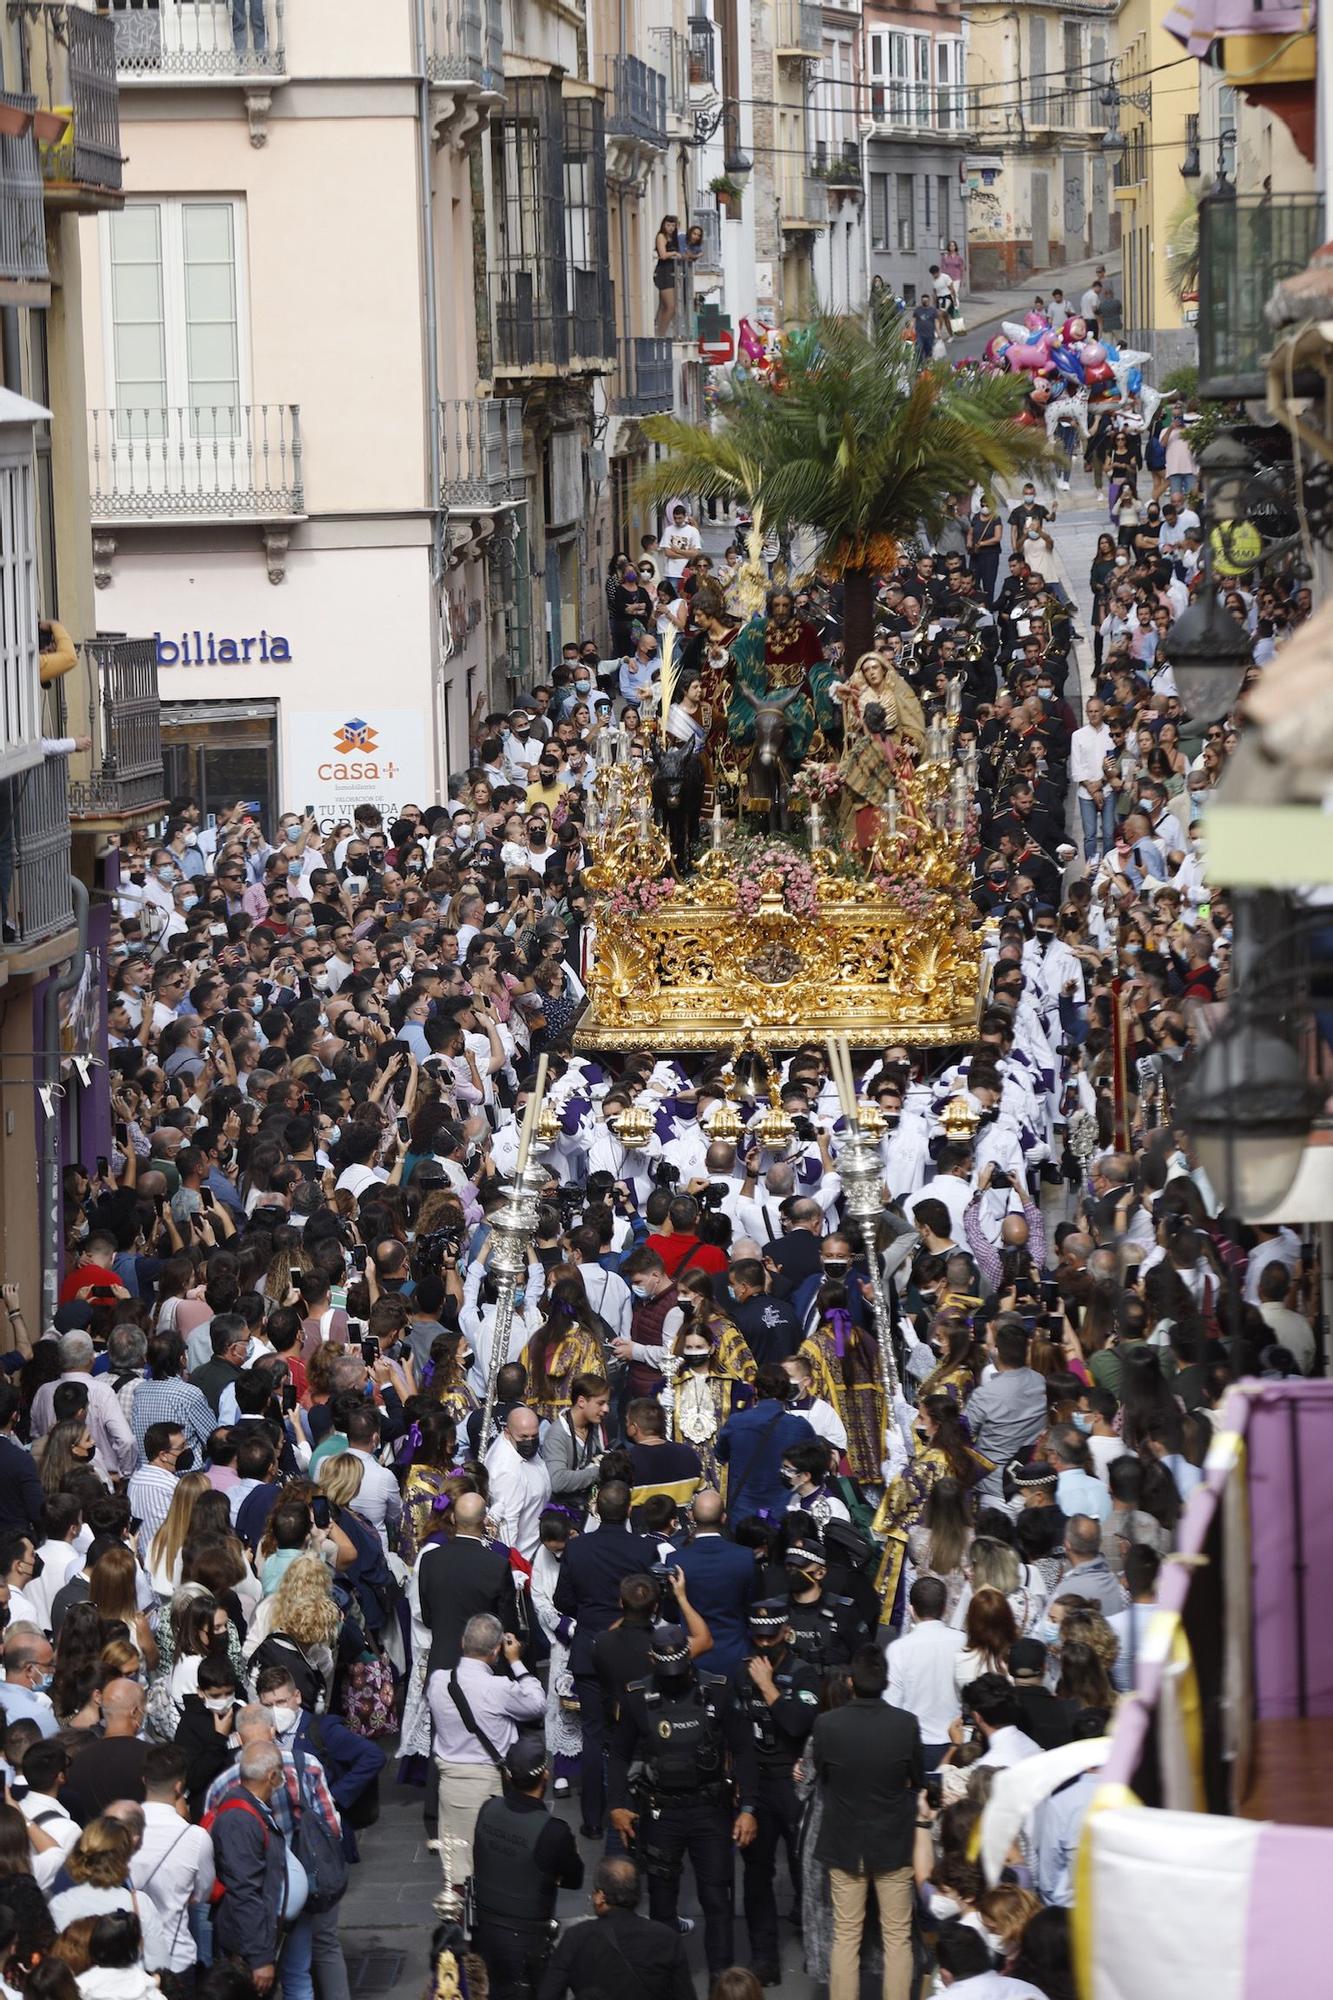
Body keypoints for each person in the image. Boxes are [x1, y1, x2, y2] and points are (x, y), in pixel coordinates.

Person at [607, 1622, 758, 1981]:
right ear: (651, 1659)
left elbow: (744, 1750)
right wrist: (616, 1804)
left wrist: (749, 1807)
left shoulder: (718, 1691)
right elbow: (617, 1754)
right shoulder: (635, 1697)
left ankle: (721, 1982)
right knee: (661, 1905)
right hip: (661, 1812)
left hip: (710, 1810)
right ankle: (666, 1983)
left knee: (717, 1901)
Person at [809, 1644, 922, 2000]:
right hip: (893, 1842)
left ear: (851, 1681)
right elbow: (917, 1779)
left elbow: (821, 1776)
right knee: (897, 1936)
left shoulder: (827, 1724)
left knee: (845, 1935)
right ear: (886, 1680)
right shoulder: (906, 1725)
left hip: (844, 1842)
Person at [553, 1479, 660, 1839]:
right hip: (632, 1649)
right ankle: (636, 1808)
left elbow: (562, 1599)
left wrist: (587, 1612)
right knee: (636, 1730)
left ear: (596, 1509)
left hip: (590, 1647)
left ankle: (594, 1819)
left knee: (594, 1735)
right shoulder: (642, 1550)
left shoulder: (578, 1548)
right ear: (629, 1510)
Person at [732, 1599, 821, 1985]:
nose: (764, 1643)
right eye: (758, 1636)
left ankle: (813, 1941)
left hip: (795, 1782)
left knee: (806, 1870)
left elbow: (799, 1724)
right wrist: (744, 1799)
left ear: (785, 1632)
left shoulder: (804, 1674)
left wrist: (768, 1687)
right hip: (759, 1783)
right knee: (756, 1873)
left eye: (771, 1635)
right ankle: (763, 1956)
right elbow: (737, 1738)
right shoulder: (740, 1673)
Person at [426, 1612, 543, 1879]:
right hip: (487, 1784)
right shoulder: (498, 1687)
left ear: (462, 1643)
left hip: (449, 1783)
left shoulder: (438, 1681)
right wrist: (517, 1663)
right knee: (493, 1863)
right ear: (496, 1651)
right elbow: (536, 1705)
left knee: (456, 1865)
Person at [470, 1734, 584, 2000]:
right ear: (545, 1775)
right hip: (527, 1944)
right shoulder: (554, 1832)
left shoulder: (488, 1809)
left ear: (508, 1777)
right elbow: (574, 1877)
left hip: (483, 1934)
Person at [536, 1856, 695, 2000]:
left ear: (600, 1897)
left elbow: (550, 1992)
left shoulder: (577, 1937)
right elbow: (684, 1994)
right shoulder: (667, 1939)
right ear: (637, 1895)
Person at [206, 1742, 290, 1995]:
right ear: (272, 1776)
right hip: (247, 1947)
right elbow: (244, 1892)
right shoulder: (240, 1820)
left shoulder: (252, 1808)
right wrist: (260, 1958)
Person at [418, 1490, 520, 1676]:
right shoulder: (497, 1565)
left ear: (454, 1519)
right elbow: (508, 1625)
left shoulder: (430, 1560)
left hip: (441, 1663)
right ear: (484, 1522)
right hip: (484, 1668)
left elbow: (428, 1618)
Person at [715, 1365, 817, 1521]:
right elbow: (816, 1462)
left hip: (741, 1515)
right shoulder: (799, 1427)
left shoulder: (736, 1422)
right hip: (781, 1514)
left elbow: (720, 1455)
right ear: (785, 1392)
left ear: (756, 1390)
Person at [673, 1487, 756, 1677]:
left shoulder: (676, 1560)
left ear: (692, 1516)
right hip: (734, 1653)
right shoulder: (744, 1557)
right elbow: (751, 1603)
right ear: (724, 1518)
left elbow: (671, 1612)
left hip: (696, 1655)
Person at [884, 1576, 964, 1768]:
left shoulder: (898, 1649)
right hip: (956, 1741)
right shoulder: (963, 1641)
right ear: (944, 1608)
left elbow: (891, 1704)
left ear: (911, 1609)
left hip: (913, 1745)